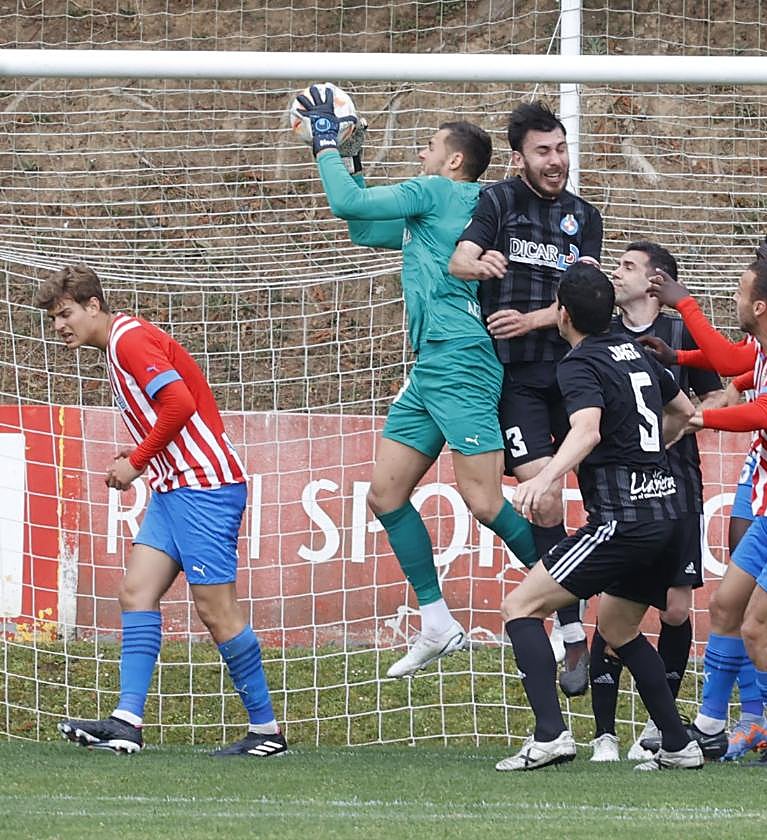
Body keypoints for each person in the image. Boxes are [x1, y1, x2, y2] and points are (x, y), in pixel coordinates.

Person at [296, 87, 540, 679]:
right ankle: (436, 621)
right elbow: (361, 227)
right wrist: (352, 159)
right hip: (432, 364)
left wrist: (326, 142)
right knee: (385, 495)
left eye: (429, 146)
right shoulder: (449, 212)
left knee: (485, 503)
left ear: (453, 160)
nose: (421, 154)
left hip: (460, 359)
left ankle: (565, 609)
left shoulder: (437, 192)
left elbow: (344, 203)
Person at [41, 264, 285, 757]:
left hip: (205, 486)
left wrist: (136, 461)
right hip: (174, 488)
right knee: (136, 592)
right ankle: (126, 722)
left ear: (93, 305)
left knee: (216, 611)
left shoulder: (129, 339)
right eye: (53, 319)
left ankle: (266, 731)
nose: (59, 326)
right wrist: (141, 458)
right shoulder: (117, 345)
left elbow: (179, 403)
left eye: (66, 314)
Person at [643, 228, 767, 758]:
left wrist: (700, 418)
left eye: (739, 292)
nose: (734, 300)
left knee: (759, 627)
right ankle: (711, 725)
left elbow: (764, 411)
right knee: (726, 605)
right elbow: (733, 361)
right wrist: (680, 356)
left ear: (760, 305)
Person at [495, 264, 702, 772]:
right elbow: (684, 411)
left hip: (621, 521)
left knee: (519, 606)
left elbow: (586, 431)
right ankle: (678, 745)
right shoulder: (638, 351)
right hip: (667, 514)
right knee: (618, 628)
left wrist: (544, 480)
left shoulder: (579, 363)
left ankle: (550, 735)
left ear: (562, 315)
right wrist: (650, 450)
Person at [450, 101, 603, 695]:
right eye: (543, 151)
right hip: (517, 380)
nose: (556, 160)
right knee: (542, 498)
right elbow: (460, 258)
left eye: (561, 149)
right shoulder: (498, 202)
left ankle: (607, 621)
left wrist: (534, 319)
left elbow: (586, 297)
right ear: (519, 159)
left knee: (608, 499)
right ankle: (571, 632)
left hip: (576, 373)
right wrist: (476, 263)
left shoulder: (584, 216)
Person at [587, 242, 723, 763]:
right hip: (623, 490)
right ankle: (603, 734)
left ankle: (657, 726)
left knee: (675, 607)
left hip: (679, 484)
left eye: (628, 266)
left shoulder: (681, 335)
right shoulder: (603, 334)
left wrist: (680, 426)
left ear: (655, 281)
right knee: (615, 606)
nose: (617, 273)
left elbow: (717, 395)